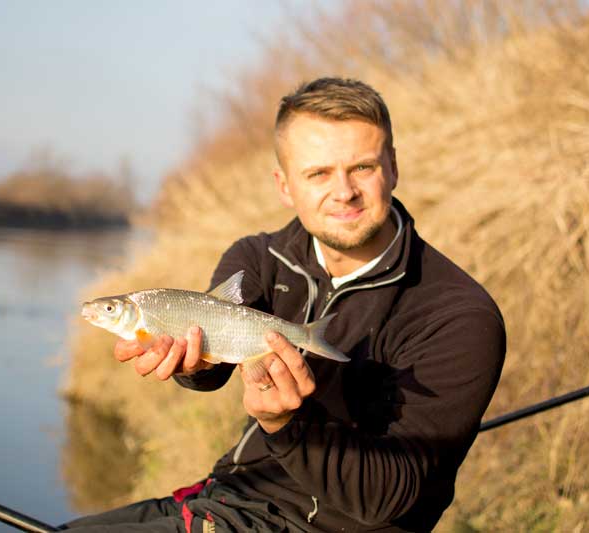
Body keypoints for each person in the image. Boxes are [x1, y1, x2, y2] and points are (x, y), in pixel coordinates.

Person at [62, 77, 505, 532]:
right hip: (232, 496)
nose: (344, 191)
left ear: (392, 166)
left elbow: (388, 501)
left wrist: (288, 423)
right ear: (284, 185)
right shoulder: (258, 257)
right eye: (318, 173)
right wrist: (190, 366)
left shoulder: (460, 316)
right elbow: (212, 360)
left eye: (363, 168)